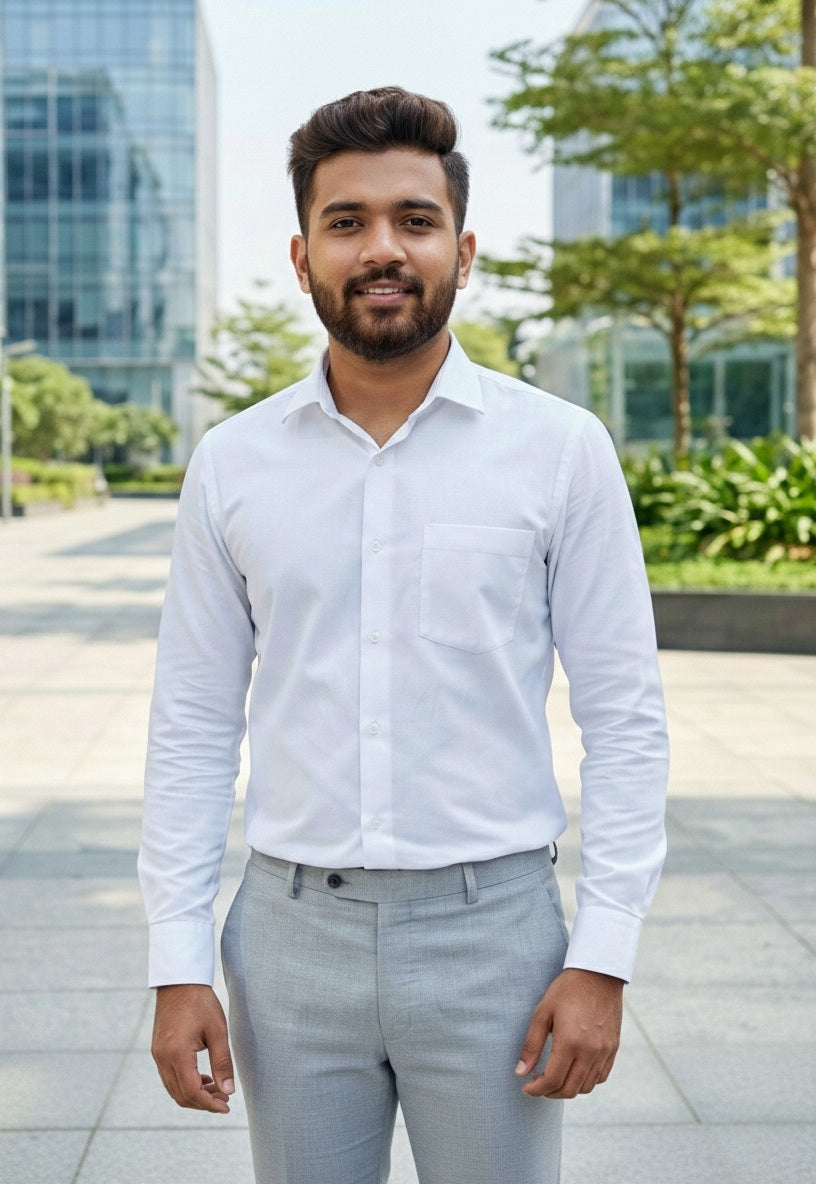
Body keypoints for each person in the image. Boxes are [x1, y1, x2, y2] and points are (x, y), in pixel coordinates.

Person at [138, 86, 668, 1184]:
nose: (383, 248)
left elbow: (625, 716)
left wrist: (603, 957)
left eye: (414, 220)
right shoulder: (233, 463)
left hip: (498, 939)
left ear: (462, 249)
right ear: (301, 255)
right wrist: (177, 957)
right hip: (287, 942)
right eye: (348, 221)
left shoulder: (561, 450)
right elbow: (192, 719)